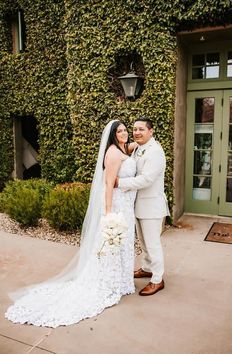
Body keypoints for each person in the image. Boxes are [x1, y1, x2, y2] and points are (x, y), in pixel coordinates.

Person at [5, 120, 137, 328]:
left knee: (122, 244)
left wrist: (135, 145)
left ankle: (121, 281)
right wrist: (109, 214)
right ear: (112, 134)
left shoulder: (122, 148)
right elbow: (108, 184)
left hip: (126, 205)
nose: (124, 133)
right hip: (117, 205)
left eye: (125, 130)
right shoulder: (112, 153)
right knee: (112, 245)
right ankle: (111, 283)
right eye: (119, 131)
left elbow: (128, 149)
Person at [117, 116, 169, 296]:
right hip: (138, 205)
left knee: (153, 243)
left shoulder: (155, 151)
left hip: (151, 206)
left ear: (151, 131)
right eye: (135, 129)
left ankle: (157, 279)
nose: (137, 132)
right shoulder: (139, 148)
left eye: (141, 129)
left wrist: (119, 183)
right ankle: (147, 267)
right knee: (143, 241)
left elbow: (147, 179)